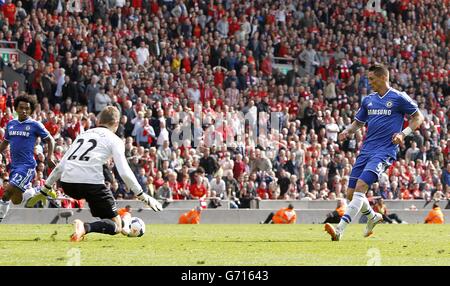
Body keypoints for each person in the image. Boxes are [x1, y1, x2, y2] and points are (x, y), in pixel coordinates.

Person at [325, 64, 424, 241]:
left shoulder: (398, 97)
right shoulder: (368, 100)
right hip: (366, 150)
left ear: (383, 78)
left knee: (361, 187)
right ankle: (373, 217)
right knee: (350, 193)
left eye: (372, 79)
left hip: (384, 150)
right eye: (368, 78)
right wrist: (347, 131)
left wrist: (403, 133)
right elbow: (359, 123)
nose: (369, 82)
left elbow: (418, 117)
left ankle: (339, 230)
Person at [41, 106, 162, 241]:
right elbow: (125, 172)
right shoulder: (114, 139)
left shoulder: (83, 135)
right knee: (116, 227)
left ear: (99, 121)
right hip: (91, 184)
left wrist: (45, 189)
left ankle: (124, 221)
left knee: (110, 219)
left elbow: (60, 167)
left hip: (68, 184)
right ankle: (85, 227)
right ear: (116, 123)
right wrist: (143, 196)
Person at [0, 95, 56, 222]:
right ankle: (40, 190)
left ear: (31, 110)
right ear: (16, 109)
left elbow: (50, 139)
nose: (24, 111)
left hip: (27, 166)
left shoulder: (35, 125)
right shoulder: (11, 124)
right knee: (15, 200)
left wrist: (49, 156)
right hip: (14, 166)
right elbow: (5, 143)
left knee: (6, 192)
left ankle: (0, 220)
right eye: (21, 108)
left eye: (27, 108)